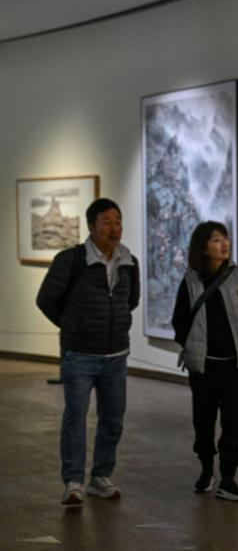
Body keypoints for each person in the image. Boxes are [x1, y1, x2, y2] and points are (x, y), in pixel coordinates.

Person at [36, 198, 140, 506]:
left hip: (116, 355)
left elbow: (131, 300)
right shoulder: (70, 260)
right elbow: (46, 299)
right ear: (92, 226)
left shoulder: (128, 261)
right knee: (75, 418)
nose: (114, 228)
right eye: (107, 222)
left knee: (113, 419)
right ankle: (73, 482)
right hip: (79, 355)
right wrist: (73, 325)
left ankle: (100, 477)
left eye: (118, 221)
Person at [171, 221, 238, 502]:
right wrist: (192, 347)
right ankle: (207, 468)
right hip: (204, 366)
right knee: (204, 420)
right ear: (203, 247)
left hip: (235, 365)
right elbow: (179, 321)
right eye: (216, 240)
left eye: (225, 238)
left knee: (233, 423)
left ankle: (229, 478)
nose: (224, 244)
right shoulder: (190, 282)